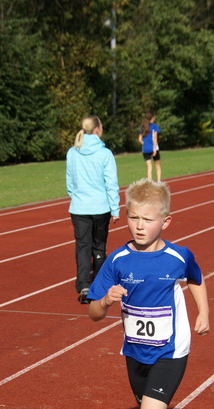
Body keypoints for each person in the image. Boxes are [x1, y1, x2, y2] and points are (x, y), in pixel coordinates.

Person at [88, 178, 209, 409]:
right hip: (136, 352)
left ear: (165, 222)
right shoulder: (117, 261)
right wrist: (106, 301)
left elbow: (197, 278)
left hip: (172, 349)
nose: (140, 226)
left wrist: (203, 313)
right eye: (134, 218)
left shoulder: (177, 256)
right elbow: (93, 313)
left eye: (148, 219)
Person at [66, 115, 120, 304]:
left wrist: (78, 197)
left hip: (79, 207)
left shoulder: (72, 152)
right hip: (100, 207)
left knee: (82, 247)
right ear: (97, 130)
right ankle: (98, 285)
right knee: (99, 247)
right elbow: (111, 183)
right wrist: (115, 208)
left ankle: (83, 285)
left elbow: (70, 182)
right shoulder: (105, 154)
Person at [138, 110, 162, 182]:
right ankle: (158, 181)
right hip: (154, 148)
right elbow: (155, 138)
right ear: (153, 118)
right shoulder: (155, 127)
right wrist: (154, 149)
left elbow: (139, 139)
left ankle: (150, 183)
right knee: (157, 165)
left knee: (149, 167)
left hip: (145, 149)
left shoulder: (142, 127)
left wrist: (144, 144)